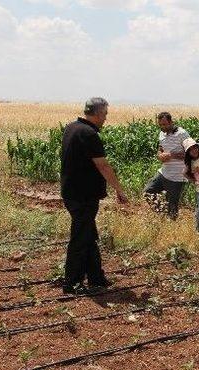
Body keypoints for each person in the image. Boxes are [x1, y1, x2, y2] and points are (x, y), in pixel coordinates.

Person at [60, 97, 128, 294]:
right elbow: (103, 165)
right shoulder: (89, 134)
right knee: (81, 237)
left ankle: (96, 277)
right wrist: (119, 190)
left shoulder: (71, 127)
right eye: (105, 114)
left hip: (71, 191)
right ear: (98, 114)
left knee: (89, 234)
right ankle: (72, 283)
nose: (106, 118)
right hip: (83, 195)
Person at [143, 112, 189, 220]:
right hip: (163, 172)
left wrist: (171, 155)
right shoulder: (161, 134)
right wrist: (160, 155)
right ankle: (162, 215)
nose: (163, 127)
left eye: (165, 124)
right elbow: (160, 148)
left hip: (177, 176)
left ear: (171, 122)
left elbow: (191, 153)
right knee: (148, 192)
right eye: (160, 125)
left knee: (172, 208)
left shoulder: (182, 133)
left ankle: (171, 228)